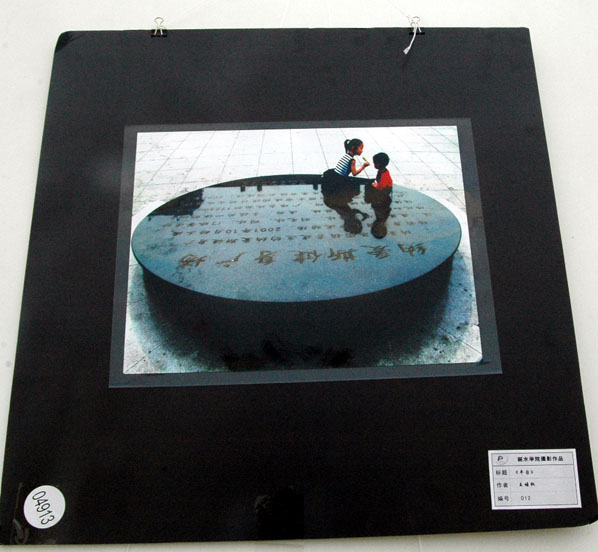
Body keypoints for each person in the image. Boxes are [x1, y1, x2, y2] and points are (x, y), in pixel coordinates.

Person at [321, 138, 370, 233]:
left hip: (334, 177)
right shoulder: (352, 160)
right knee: (354, 188)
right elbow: (354, 173)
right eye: (361, 148)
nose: (362, 150)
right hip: (338, 181)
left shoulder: (347, 155)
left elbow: (352, 211)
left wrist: (361, 213)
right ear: (354, 148)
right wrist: (364, 166)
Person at [364, 152, 393, 239]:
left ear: (379, 164)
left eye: (375, 163)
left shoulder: (384, 175)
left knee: (369, 186)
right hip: (381, 192)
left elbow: (381, 187)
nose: (374, 164)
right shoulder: (382, 171)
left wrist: (374, 185)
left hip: (384, 193)